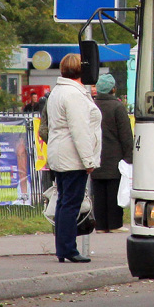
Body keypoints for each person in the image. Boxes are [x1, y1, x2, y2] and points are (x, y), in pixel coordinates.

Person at [46, 53, 100, 263]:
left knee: (63, 202)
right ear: (81, 70)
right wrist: (88, 160)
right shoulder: (74, 95)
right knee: (71, 203)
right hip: (72, 155)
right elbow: (80, 130)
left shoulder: (59, 91)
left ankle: (63, 248)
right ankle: (69, 248)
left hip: (61, 153)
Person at [92, 73, 133, 233]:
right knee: (114, 191)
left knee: (99, 193)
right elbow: (125, 134)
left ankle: (101, 225)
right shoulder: (117, 107)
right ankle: (115, 224)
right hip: (114, 157)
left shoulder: (92, 105)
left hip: (95, 156)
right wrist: (129, 157)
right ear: (113, 89)